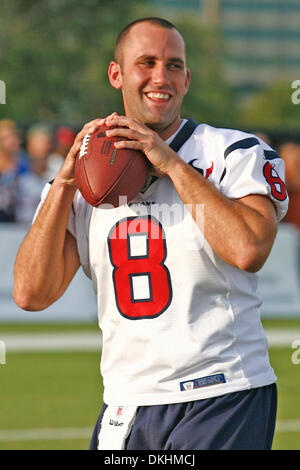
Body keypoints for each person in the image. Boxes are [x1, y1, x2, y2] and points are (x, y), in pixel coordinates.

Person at [13, 17, 289, 450]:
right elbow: (31, 293)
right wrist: (64, 183)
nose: (161, 77)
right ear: (116, 74)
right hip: (126, 402)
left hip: (221, 392)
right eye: (147, 62)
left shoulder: (230, 152)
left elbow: (248, 248)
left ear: (187, 78)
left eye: (174, 65)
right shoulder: (88, 177)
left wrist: (171, 165)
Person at [0, 119, 29, 222]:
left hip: (16, 220)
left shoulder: (23, 163)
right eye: (6, 138)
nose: (11, 141)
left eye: (13, 136)